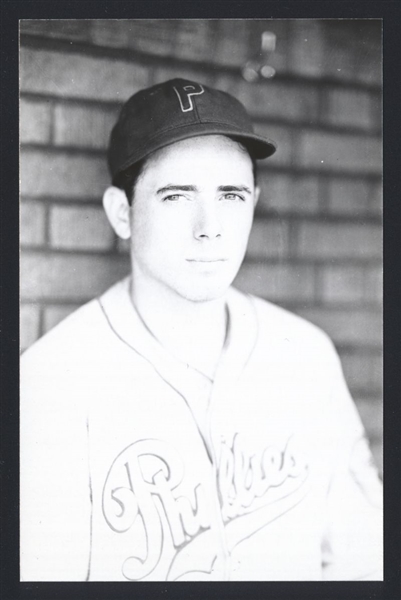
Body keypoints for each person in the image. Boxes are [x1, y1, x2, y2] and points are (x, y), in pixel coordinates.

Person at [20, 78, 383, 582]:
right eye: (175, 196)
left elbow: (364, 562)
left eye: (231, 194)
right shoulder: (49, 384)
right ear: (122, 213)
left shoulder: (304, 354)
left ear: (254, 201)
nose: (209, 226)